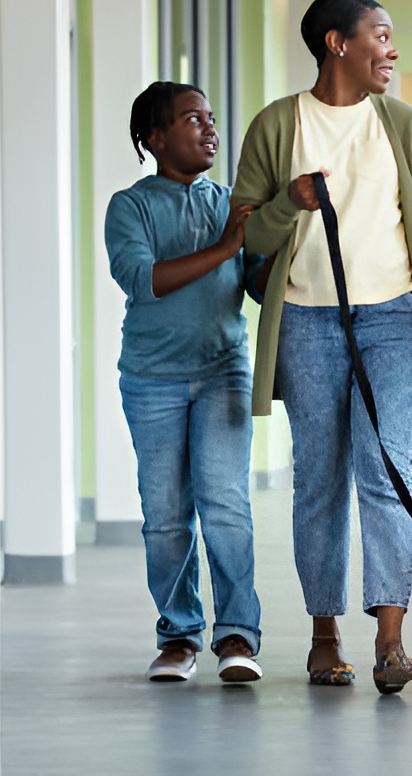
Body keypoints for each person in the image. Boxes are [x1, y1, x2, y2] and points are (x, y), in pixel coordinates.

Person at [231, 0, 412, 693]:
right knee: (319, 484)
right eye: (380, 36)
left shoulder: (398, 123)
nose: (390, 50)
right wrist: (285, 204)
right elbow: (243, 236)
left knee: (388, 473)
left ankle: (390, 639)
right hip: (304, 320)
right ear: (337, 44)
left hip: (392, 319)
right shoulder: (277, 126)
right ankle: (325, 636)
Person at [105, 81, 265, 683]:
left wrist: (274, 242)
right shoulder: (130, 206)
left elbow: (253, 281)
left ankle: (236, 636)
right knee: (167, 515)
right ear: (155, 137)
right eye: (193, 119)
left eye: (212, 118)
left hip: (224, 370)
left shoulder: (230, 200)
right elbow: (143, 280)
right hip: (152, 381)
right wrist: (229, 244)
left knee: (225, 506)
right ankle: (178, 637)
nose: (210, 129)